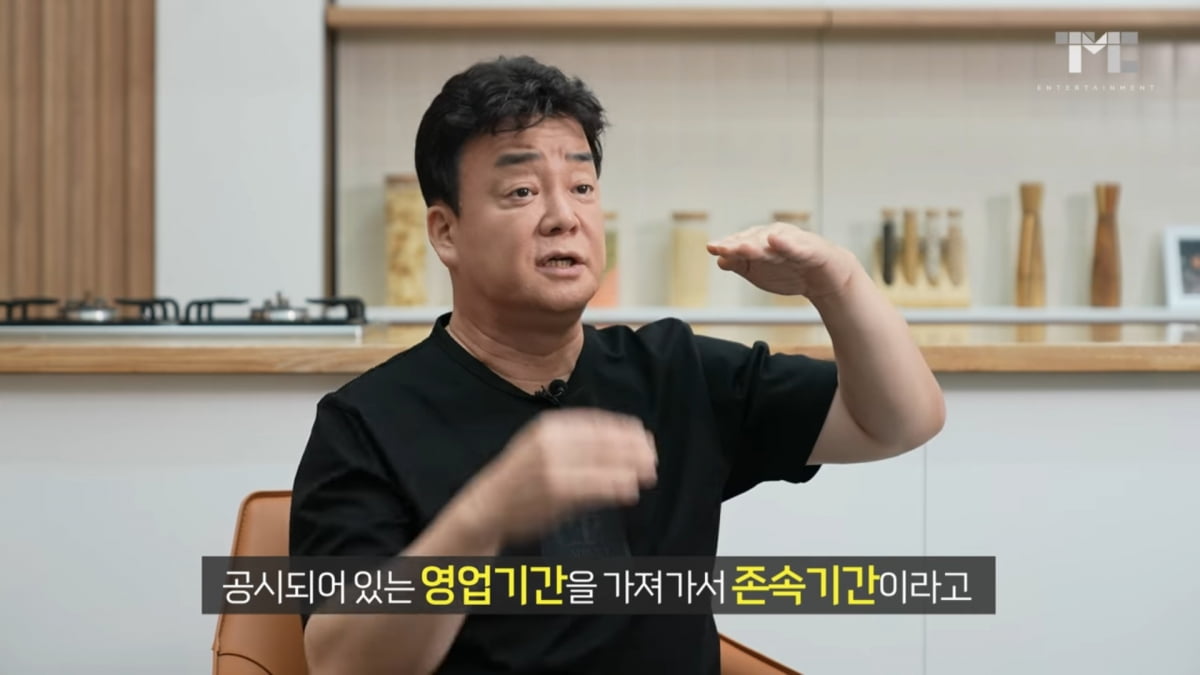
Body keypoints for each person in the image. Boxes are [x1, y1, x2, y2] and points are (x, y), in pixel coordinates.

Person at [290, 55, 946, 675]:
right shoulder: (367, 422)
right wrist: (483, 517)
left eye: (582, 187)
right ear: (445, 232)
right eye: (521, 190)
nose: (563, 217)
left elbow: (899, 422)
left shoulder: (675, 372)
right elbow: (342, 662)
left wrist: (835, 282)